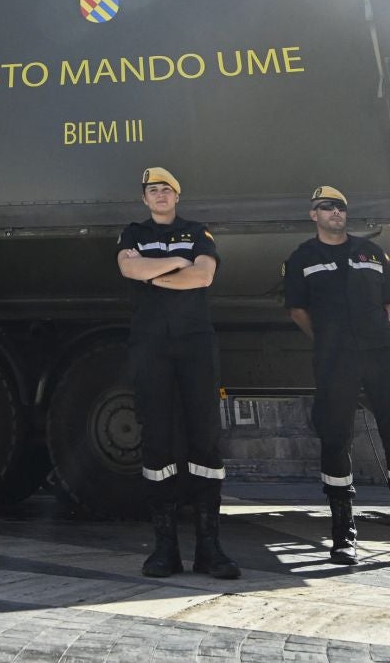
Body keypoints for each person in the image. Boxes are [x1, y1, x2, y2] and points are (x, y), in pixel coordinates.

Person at [283, 184, 390, 567]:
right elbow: (297, 309)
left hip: (381, 355)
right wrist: (332, 338)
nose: (336, 213)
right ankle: (343, 536)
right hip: (335, 359)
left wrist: (371, 332)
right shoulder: (303, 257)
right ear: (314, 215)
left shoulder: (372, 252)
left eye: (341, 207)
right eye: (327, 207)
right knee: (336, 438)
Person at [116, 166, 239, 580]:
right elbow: (129, 270)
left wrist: (154, 272)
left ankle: (210, 549)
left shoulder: (198, 231)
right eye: (153, 190)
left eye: (166, 189)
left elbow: (204, 275)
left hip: (195, 345)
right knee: (157, 440)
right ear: (145, 199)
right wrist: (176, 266)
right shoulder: (132, 232)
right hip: (150, 345)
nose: (160, 195)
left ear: (176, 196)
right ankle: (164, 549)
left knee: (205, 436)